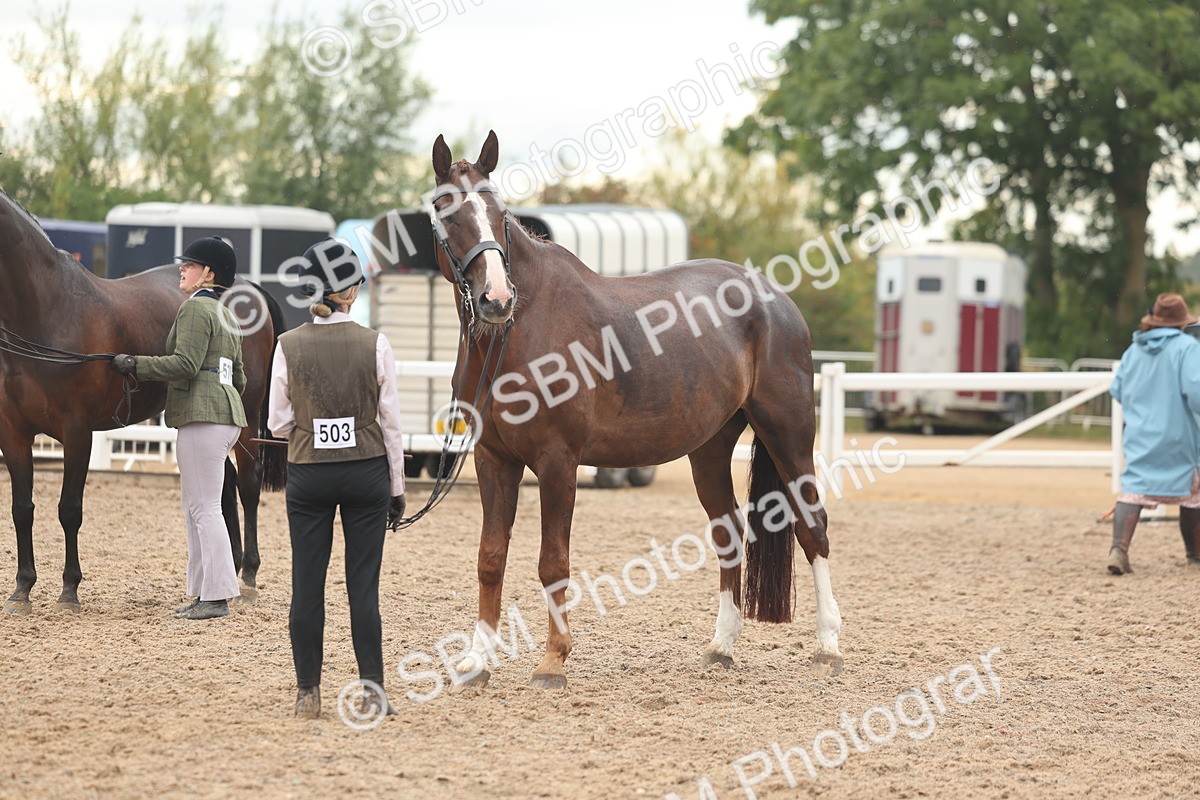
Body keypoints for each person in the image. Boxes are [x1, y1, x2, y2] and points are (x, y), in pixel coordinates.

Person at [268, 237, 407, 719]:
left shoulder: (287, 345)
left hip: (309, 475)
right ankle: (373, 690)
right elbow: (390, 425)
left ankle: (308, 692)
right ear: (349, 291)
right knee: (361, 588)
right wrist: (397, 489)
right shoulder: (376, 343)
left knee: (307, 585)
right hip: (366, 472)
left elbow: (278, 423)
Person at [111, 236, 247, 619]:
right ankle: (205, 591)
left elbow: (184, 364)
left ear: (209, 274)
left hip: (202, 416)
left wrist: (135, 364)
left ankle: (216, 597)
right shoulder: (228, 314)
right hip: (225, 415)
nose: (181, 270)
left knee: (204, 508)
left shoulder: (193, 310)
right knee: (199, 507)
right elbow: (239, 377)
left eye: (189, 265)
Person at [1108, 292, 1200, 575]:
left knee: (1134, 490)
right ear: (1181, 323)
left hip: (1139, 435)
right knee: (1193, 493)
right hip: (1179, 436)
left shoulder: (1133, 350)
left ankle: (1118, 550)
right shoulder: (1187, 347)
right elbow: (1196, 392)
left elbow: (1118, 390)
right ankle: (1194, 556)